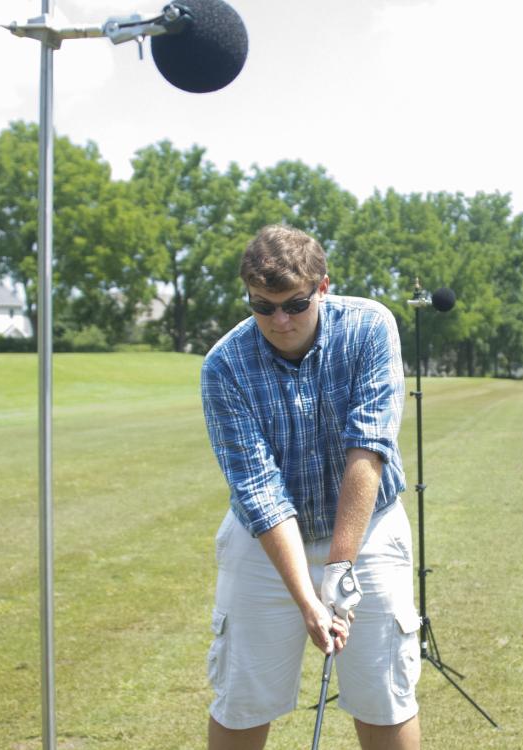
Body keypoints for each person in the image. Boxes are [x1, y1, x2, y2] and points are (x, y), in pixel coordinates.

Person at [200, 224, 421, 750]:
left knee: (384, 695)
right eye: (263, 306)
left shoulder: (371, 327)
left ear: (323, 287)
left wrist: (340, 570)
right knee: (242, 698)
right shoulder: (224, 365)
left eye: (295, 304)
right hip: (264, 540)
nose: (279, 320)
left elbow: (367, 451)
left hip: (367, 529)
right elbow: (258, 490)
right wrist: (308, 600)